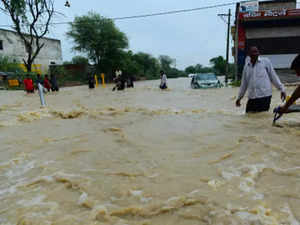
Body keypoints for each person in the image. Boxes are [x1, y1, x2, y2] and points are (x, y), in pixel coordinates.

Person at [236, 46, 286, 113]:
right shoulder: (246, 67)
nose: (255, 54)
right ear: (249, 54)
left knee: (262, 116)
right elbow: (244, 85)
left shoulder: (265, 62)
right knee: (248, 115)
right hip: (252, 97)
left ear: (259, 53)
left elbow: (273, 76)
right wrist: (239, 98)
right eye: (253, 52)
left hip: (265, 96)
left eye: (256, 52)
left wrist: (282, 89)